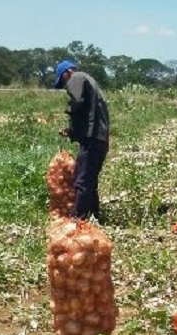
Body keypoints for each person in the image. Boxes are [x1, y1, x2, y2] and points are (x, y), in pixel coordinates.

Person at [54, 59, 110, 222]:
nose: (66, 86)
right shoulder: (89, 80)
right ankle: (95, 217)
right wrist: (71, 131)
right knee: (89, 180)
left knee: (82, 179)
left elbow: (77, 101)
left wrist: (69, 110)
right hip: (100, 139)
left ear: (66, 73)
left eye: (63, 81)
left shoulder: (76, 77)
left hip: (92, 139)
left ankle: (78, 220)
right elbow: (89, 114)